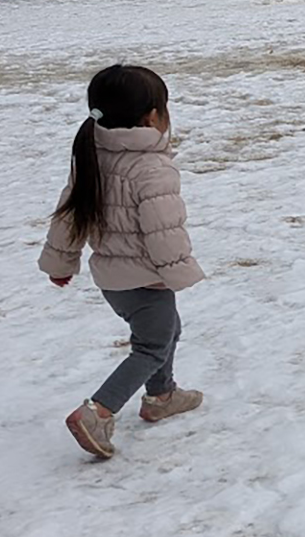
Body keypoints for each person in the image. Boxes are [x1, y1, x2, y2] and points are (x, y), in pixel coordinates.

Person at [41, 65, 206, 460]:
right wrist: (177, 272)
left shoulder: (91, 155)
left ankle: (161, 395)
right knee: (151, 346)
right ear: (153, 116)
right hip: (148, 279)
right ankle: (98, 411)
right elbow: (163, 229)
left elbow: (69, 215)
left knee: (166, 331)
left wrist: (60, 263)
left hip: (113, 280)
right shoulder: (151, 167)